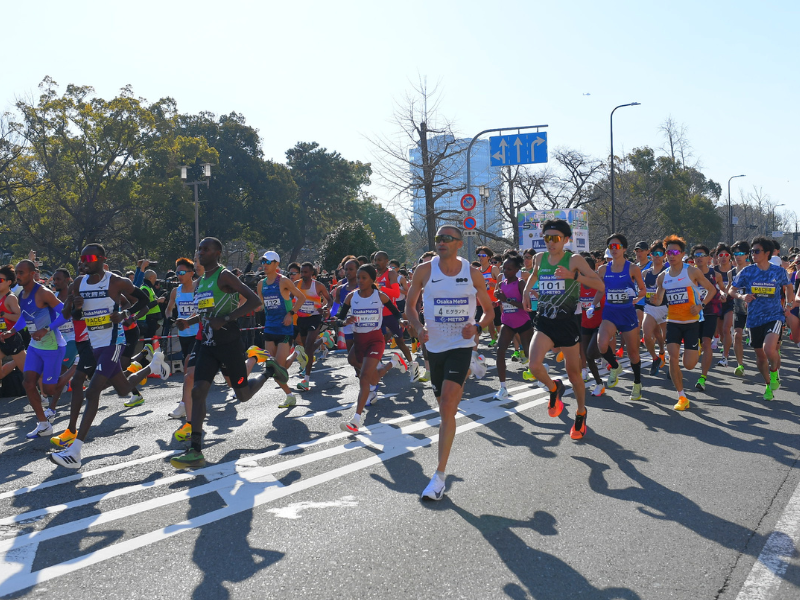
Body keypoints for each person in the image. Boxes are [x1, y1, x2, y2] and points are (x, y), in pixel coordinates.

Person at [170, 238, 288, 469]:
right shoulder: (201, 280)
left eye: (206, 249)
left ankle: (268, 372)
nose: (200, 253)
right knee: (198, 390)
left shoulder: (224, 276)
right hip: (207, 343)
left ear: (217, 253)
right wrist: (189, 321)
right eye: (199, 249)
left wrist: (225, 318)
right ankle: (195, 449)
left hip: (229, 342)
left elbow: (254, 301)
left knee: (242, 395)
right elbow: (207, 314)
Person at [48, 246, 170, 468]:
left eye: (90, 258)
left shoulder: (116, 282)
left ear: (103, 259)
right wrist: (75, 307)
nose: (84, 262)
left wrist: (125, 315)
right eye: (82, 258)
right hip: (94, 344)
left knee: (92, 390)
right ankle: (152, 366)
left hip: (114, 342)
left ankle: (75, 452)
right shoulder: (78, 283)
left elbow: (143, 301)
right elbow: (67, 314)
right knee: (123, 389)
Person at [406, 226, 494, 500]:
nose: (441, 242)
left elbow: (490, 311)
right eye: (438, 238)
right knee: (443, 405)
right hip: (434, 347)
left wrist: (477, 328)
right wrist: (419, 328)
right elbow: (409, 306)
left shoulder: (472, 273)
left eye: (447, 239)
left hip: (461, 344)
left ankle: (439, 476)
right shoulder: (424, 270)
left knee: (447, 406)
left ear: (458, 244)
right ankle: (473, 365)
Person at [522, 219, 604, 440]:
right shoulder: (540, 258)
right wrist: (526, 292)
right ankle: (554, 387)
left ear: (566, 240)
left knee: (574, 374)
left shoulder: (574, 259)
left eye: (555, 238)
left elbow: (600, 285)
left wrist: (573, 276)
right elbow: (535, 274)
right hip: (545, 321)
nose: (550, 242)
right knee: (534, 365)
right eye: (547, 238)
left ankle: (580, 413)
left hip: (568, 322)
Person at [0, 260, 69, 439]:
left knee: (50, 390)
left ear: (32, 273)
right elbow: (24, 317)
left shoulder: (44, 293)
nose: (18, 276)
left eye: (22, 273)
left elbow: (65, 314)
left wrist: (46, 329)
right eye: (17, 273)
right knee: (28, 383)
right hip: (34, 346)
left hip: (53, 346)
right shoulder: (22, 294)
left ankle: (78, 370)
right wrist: (12, 331)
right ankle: (44, 424)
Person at [338, 264, 408, 432]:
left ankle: (355, 421)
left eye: (364, 278)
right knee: (356, 363)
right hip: (359, 340)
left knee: (364, 378)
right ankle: (393, 362)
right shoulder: (351, 297)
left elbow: (396, 311)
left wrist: (401, 320)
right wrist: (345, 321)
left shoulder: (380, 296)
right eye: (358, 278)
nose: (360, 281)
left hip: (375, 340)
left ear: (372, 280)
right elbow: (339, 319)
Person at [651, 236, 717, 410]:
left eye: (675, 252)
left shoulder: (692, 272)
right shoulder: (662, 277)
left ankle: (696, 348)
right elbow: (658, 301)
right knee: (673, 358)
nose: (671, 255)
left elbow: (711, 290)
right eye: (668, 252)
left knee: (689, 365)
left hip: (691, 322)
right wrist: (652, 299)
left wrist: (701, 305)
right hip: (672, 321)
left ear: (682, 254)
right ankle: (682, 397)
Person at [730, 237, 796, 400]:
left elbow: (788, 287)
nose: (753, 254)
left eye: (756, 251)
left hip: (774, 316)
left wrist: (789, 305)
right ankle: (768, 384)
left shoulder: (778, 271)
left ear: (767, 253)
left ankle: (774, 374)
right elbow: (732, 289)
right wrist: (742, 295)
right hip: (753, 319)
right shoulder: (747, 271)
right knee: (760, 357)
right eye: (752, 251)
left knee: (769, 349)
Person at [248, 251, 307, 408]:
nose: (265, 264)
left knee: (279, 368)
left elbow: (301, 298)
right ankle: (290, 394)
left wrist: (291, 313)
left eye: (268, 262)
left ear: (276, 264)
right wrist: (252, 307)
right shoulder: (261, 284)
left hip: (284, 328)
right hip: (270, 328)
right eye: (263, 261)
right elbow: (261, 304)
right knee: (273, 368)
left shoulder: (284, 281)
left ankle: (296, 354)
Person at [595, 234, 647, 400]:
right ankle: (615, 366)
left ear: (624, 249)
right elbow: (600, 289)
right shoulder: (603, 269)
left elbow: (642, 290)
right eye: (610, 246)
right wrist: (592, 304)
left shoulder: (632, 268)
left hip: (627, 313)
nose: (613, 249)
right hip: (610, 312)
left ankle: (637, 383)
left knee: (633, 354)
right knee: (601, 344)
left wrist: (636, 297)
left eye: (616, 246)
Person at [164, 258, 199, 430]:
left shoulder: (198, 288)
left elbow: (201, 311)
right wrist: (171, 318)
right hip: (183, 334)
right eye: (177, 272)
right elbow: (169, 308)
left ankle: (184, 405)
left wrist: (188, 320)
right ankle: (190, 402)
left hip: (197, 334)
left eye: (182, 272)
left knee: (187, 369)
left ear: (192, 273)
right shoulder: (175, 291)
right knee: (190, 372)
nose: (179, 275)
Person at [493, 255, 534, 400]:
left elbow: (526, 305)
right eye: (504, 268)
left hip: (523, 322)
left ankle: (541, 375)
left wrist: (506, 300)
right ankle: (503, 387)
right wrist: (497, 303)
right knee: (500, 350)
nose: (505, 271)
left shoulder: (520, 283)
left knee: (531, 355)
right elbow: (503, 301)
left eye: (509, 269)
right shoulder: (502, 283)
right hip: (508, 322)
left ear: (517, 270)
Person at [374, 251, 419, 381]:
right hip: (377, 314)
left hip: (390, 314)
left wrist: (379, 288)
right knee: (377, 341)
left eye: (380, 260)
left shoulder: (391, 273)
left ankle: (412, 364)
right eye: (375, 260)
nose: (377, 263)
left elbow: (394, 292)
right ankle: (379, 365)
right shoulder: (374, 274)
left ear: (386, 261)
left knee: (399, 341)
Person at [290, 262, 331, 392]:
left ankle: (306, 379)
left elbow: (330, 300)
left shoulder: (318, 285)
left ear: (312, 273)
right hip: (301, 319)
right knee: (306, 347)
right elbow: (289, 298)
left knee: (308, 347)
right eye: (301, 272)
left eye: (306, 272)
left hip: (315, 318)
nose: (303, 275)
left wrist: (325, 308)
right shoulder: (296, 285)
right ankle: (324, 339)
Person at [692, 245, 723, 392]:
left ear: (708, 258)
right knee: (694, 344)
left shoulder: (715, 274)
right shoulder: (688, 274)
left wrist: (722, 293)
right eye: (697, 255)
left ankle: (703, 377)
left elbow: (722, 287)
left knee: (706, 342)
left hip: (710, 312)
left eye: (702, 255)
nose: (699, 257)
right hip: (691, 313)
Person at [641, 241, 668, 376]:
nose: (656, 256)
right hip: (650, 308)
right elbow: (641, 289)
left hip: (666, 308)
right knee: (646, 335)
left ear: (664, 255)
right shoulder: (646, 273)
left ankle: (665, 355)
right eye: (653, 253)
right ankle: (655, 358)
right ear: (650, 255)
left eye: (659, 254)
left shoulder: (668, 271)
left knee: (665, 337)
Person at [0, 264, 27, 384]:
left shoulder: (10, 298)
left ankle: (46, 391)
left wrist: (3, 315)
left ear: (8, 282)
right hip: (1, 338)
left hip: (12, 338)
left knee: (28, 373)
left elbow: (20, 318)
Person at [714, 244, 736, 367]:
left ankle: (725, 357)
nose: (723, 257)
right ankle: (725, 344)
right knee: (720, 332)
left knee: (726, 329)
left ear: (730, 257)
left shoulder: (734, 271)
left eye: (726, 255)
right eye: (721, 255)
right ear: (717, 257)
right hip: (717, 303)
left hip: (730, 303)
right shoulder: (713, 271)